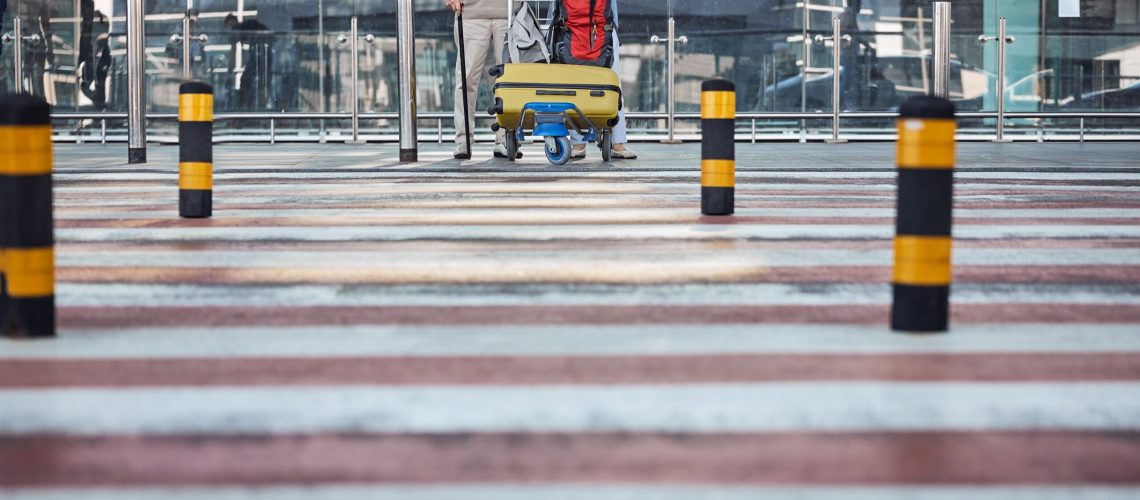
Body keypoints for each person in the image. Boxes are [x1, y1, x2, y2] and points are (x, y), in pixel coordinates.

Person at [447, 0, 515, 159]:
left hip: (509, 13)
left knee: (509, 80)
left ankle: (506, 137)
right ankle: (463, 139)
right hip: (471, 13)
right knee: (467, 79)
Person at [570, 0, 636, 160]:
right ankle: (579, 142)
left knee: (612, 83)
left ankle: (616, 141)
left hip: (602, 25)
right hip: (573, 27)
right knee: (574, 83)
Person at [225, 13, 273, 111]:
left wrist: (230, 70)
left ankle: (247, 107)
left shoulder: (246, 27)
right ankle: (249, 107)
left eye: (230, 25)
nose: (230, 28)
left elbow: (233, 53)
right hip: (260, 55)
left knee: (249, 82)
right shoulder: (246, 27)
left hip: (261, 55)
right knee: (252, 82)